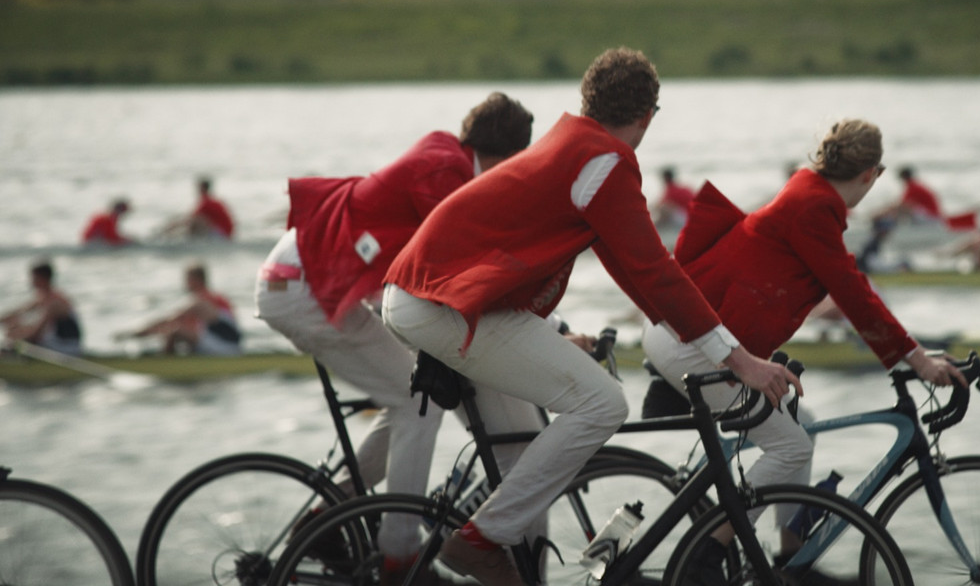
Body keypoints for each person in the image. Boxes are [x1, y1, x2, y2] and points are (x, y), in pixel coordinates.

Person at [381, 47, 800, 586]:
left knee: (530, 446)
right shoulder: (603, 162)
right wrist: (739, 360)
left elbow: (635, 272)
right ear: (648, 116)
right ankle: (479, 540)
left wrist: (697, 339)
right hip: (444, 304)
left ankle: (510, 555)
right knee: (601, 402)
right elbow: (655, 271)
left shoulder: (572, 143)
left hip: (424, 295)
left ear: (588, 99)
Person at [642, 118, 966, 571]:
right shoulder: (814, 208)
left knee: (802, 427)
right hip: (692, 344)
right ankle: (706, 553)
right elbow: (854, 293)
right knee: (789, 446)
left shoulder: (807, 190)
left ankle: (791, 559)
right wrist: (917, 359)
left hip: (693, 335)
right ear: (871, 174)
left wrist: (907, 353)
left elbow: (845, 288)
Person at [253, 92, 537, 575]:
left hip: (307, 275)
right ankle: (399, 556)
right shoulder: (446, 173)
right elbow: (462, 268)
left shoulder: (448, 156)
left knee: (408, 396)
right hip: (302, 286)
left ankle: (329, 514)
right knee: (418, 404)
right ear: (510, 159)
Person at [116, 263, 241, 355]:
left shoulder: (201, 302)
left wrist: (133, 334)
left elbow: (168, 320)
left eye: (188, 279)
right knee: (176, 331)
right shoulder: (214, 298)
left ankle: (165, 365)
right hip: (222, 343)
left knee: (174, 331)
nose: (185, 283)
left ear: (197, 280)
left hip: (227, 348)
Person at [2, 262, 83, 354]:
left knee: (16, 331)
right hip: (54, 341)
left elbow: (36, 335)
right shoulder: (43, 298)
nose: (31, 281)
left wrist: (18, 334)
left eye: (34, 278)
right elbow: (19, 312)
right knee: (14, 326)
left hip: (66, 346)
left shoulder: (56, 303)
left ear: (43, 279)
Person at [162, 177, 235, 239]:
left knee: (195, 222)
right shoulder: (214, 201)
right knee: (196, 220)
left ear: (202, 188)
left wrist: (170, 228)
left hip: (223, 234)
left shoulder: (206, 203)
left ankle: (188, 242)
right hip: (226, 232)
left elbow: (190, 219)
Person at [874, 166, 943, 224]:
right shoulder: (915, 185)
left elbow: (902, 205)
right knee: (901, 209)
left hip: (932, 217)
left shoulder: (913, 187)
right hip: (932, 215)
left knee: (902, 209)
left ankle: (889, 228)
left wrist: (881, 213)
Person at [653, 165, 696, 229]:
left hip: (687, 219)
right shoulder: (683, 188)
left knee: (664, 208)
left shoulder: (671, 190)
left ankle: (654, 227)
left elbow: (659, 205)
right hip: (693, 216)